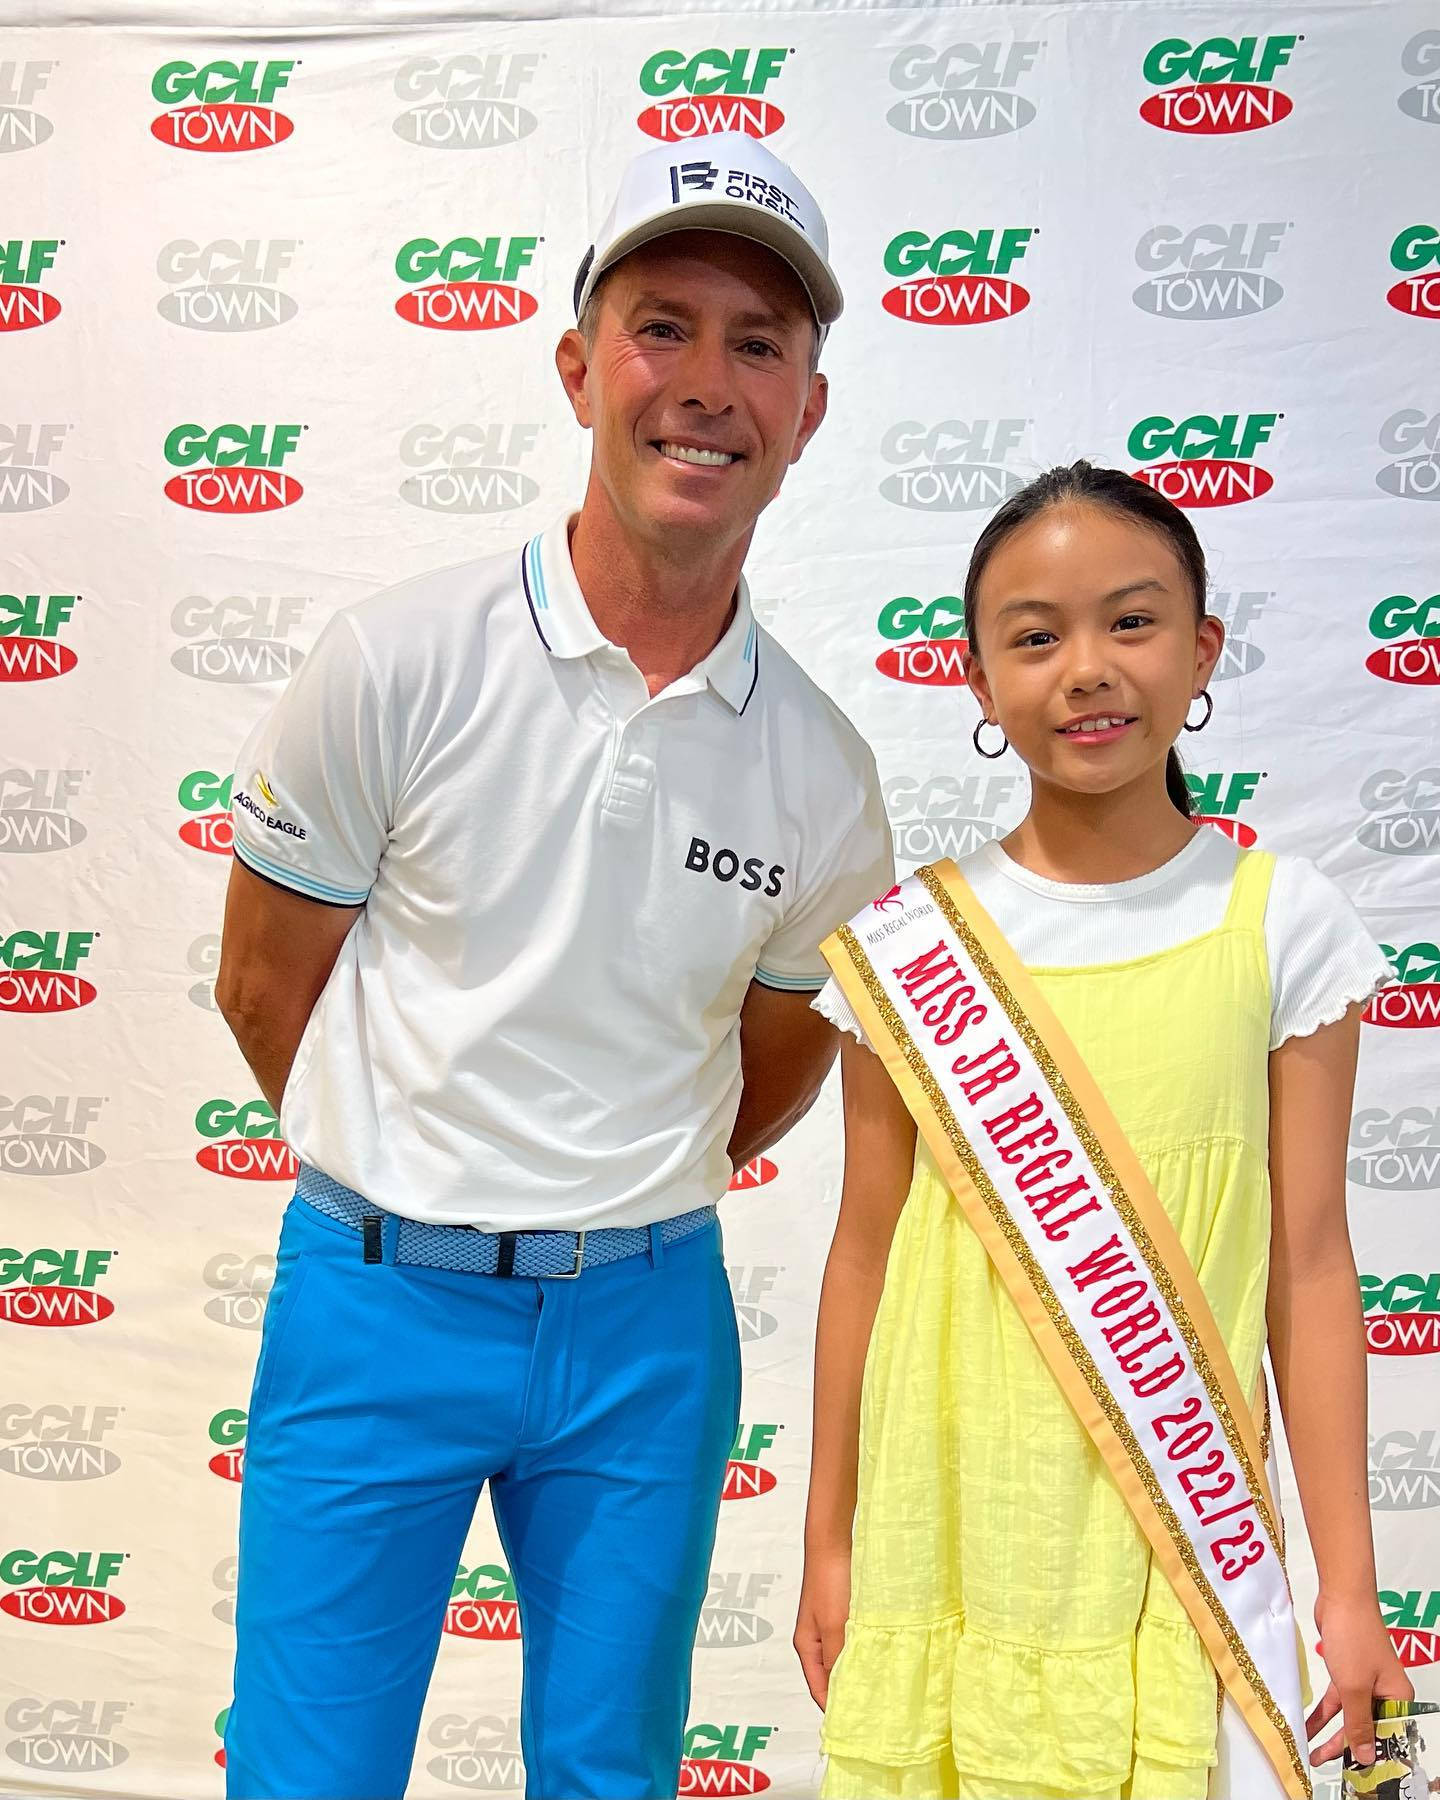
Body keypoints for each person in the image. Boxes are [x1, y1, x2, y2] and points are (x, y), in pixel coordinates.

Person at [214, 132, 893, 1800]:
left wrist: (613, 1182)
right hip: (374, 1307)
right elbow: (260, 991)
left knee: (610, 1774)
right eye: (665, 326)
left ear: (810, 407)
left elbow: (778, 1057)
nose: (707, 384)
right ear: (582, 363)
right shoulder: (396, 661)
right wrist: (428, 1166)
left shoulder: (823, 768)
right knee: (308, 1775)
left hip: (646, 1335)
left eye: (760, 344)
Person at [796, 462, 1411, 1800]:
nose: (1087, 669)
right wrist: (829, 1541)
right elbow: (862, 1258)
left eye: (1131, 623)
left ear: (1201, 651)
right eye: (1036, 636)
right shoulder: (909, 950)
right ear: (975, 679)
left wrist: (1350, 1592)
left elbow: (1311, 1269)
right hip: (951, 1534)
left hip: (1184, 1552)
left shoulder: (1280, 921)